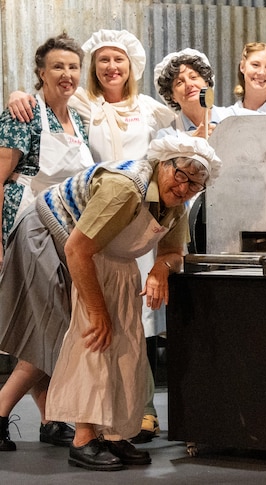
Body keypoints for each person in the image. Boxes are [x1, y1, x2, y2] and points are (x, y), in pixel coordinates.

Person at [6, 30, 178, 444]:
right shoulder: (70, 107)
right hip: (48, 225)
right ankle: (61, 418)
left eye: (72, 67)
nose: (110, 68)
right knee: (66, 322)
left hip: (109, 225)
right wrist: (16, 93)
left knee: (111, 324)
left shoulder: (98, 116)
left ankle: (87, 417)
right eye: (101, 60)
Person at [23, 134, 219, 471]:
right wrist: (97, 310)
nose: (185, 188)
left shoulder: (177, 204)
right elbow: (77, 248)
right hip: (80, 253)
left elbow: (174, 253)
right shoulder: (126, 187)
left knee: (128, 347)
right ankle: (84, 438)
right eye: (181, 175)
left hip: (121, 264)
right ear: (163, 164)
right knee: (94, 341)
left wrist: (160, 268)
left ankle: (114, 434)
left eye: (196, 184)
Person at [0, 33, 93, 452]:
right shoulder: (24, 113)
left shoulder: (81, 120)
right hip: (29, 225)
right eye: (57, 66)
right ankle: (1, 409)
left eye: (73, 67)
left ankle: (52, 417)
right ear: (40, 72)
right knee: (53, 322)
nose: (67, 74)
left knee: (51, 321)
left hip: (66, 229)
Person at [154, 48, 228, 138]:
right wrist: (192, 143)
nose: (189, 85)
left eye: (193, 77)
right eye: (179, 82)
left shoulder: (235, 116)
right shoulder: (167, 137)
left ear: (207, 82)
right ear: (172, 96)